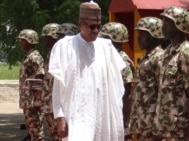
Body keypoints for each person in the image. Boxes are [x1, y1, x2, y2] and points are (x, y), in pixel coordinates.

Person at [48, 1, 126, 141]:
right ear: (80, 24)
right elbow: (57, 87)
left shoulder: (107, 48)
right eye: (91, 26)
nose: (96, 31)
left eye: (98, 27)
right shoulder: (64, 47)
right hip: (75, 118)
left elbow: (117, 88)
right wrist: (59, 116)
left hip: (102, 120)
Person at [155, 6, 189, 141]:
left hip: (182, 130)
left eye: (167, 22)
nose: (163, 26)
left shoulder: (187, 53)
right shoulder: (168, 52)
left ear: (180, 26)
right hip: (168, 129)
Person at [129, 16, 165, 141]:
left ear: (154, 35)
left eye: (143, 34)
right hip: (142, 123)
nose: (139, 38)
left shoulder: (159, 58)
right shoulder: (146, 57)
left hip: (152, 126)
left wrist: (158, 125)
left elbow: (163, 92)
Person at [99, 22, 135, 140]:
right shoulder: (109, 58)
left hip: (118, 120)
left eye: (104, 37)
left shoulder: (122, 61)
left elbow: (128, 95)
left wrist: (124, 124)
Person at [18, 29, 45, 140]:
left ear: (29, 41)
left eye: (22, 40)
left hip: (33, 101)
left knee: (36, 130)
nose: (21, 43)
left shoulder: (34, 57)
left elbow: (40, 77)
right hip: (28, 100)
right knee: (32, 130)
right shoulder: (29, 57)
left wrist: (38, 99)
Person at [40, 23, 61, 141]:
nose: (44, 41)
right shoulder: (51, 55)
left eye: (47, 38)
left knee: (59, 136)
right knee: (54, 135)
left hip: (56, 105)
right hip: (49, 104)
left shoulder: (59, 55)